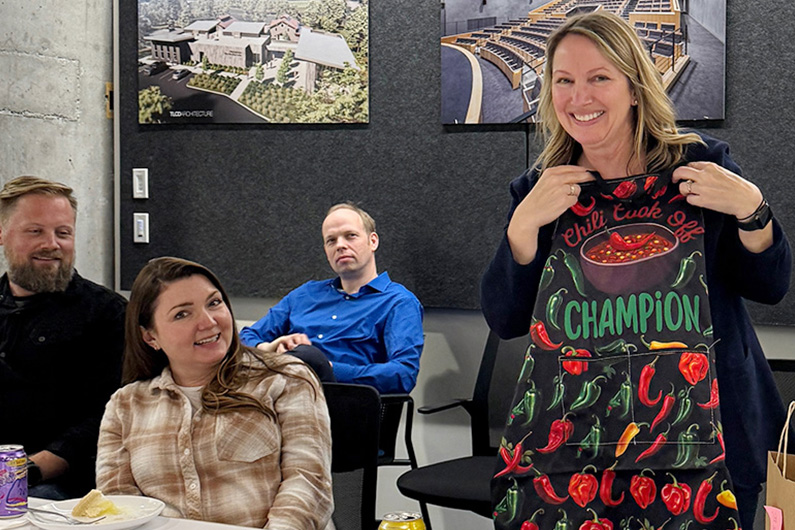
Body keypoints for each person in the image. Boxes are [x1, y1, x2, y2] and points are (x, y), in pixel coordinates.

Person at [481, 12, 790, 530]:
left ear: (634, 87)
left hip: (707, 438)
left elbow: (771, 285)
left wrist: (753, 210)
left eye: (599, 77)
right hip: (578, 439)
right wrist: (523, 229)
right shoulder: (541, 189)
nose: (579, 98)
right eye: (564, 80)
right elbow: (506, 318)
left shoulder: (700, 166)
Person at [96, 257, 333, 530]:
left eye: (214, 303)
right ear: (150, 337)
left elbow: (309, 484)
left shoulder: (285, 378)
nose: (209, 322)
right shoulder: (126, 406)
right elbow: (120, 506)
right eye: (182, 314)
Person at [0, 176, 126, 499]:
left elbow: (109, 415)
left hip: (60, 487)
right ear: (2, 233)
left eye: (63, 233)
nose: (51, 244)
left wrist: (22, 472)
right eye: (35, 231)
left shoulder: (107, 314)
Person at [240, 203, 424, 394]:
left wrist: (328, 368)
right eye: (331, 240)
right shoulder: (305, 294)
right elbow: (244, 339)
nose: (340, 245)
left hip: (342, 407)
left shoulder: (398, 303)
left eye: (350, 236)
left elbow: (403, 374)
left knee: (307, 356)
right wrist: (268, 347)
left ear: (373, 241)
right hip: (279, 396)